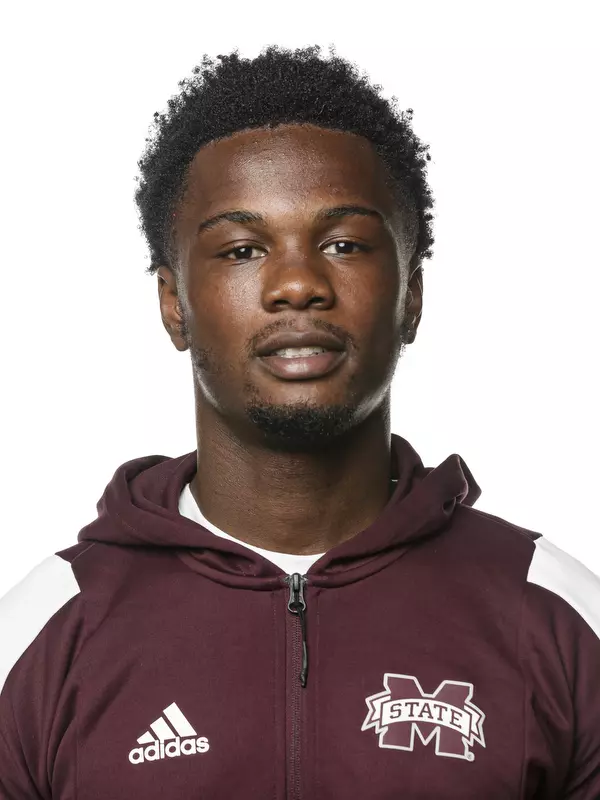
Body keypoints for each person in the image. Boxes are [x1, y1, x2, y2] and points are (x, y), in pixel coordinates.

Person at [0, 44, 598, 799]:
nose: (297, 284)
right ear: (173, 303)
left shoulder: (556, 617)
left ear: (411, 295)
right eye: (243, 248)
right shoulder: (44, 633)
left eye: (344, 243)